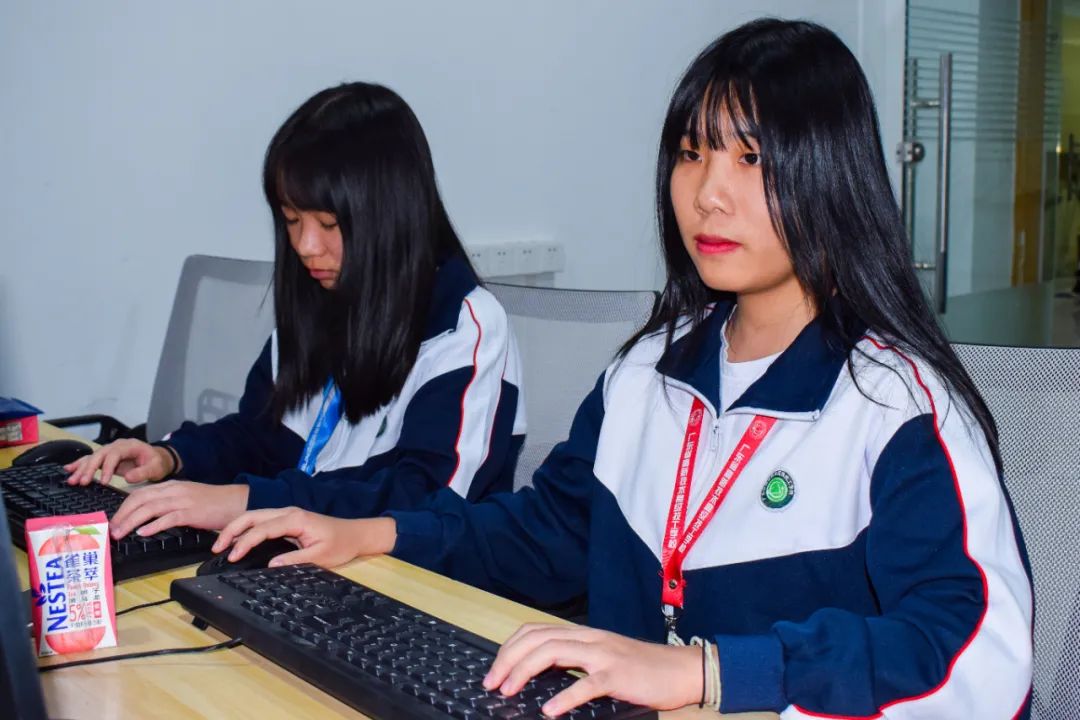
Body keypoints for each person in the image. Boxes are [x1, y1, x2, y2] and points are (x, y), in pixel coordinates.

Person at [212, 20, 1033, 718]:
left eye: (750, 159)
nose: (707, 194)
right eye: (691, 153)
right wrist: (373, 535)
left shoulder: (897, 406)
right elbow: (548, 532)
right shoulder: (648, 370)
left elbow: (978, 656)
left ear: (832, 174)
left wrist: (709, 672)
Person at [65, 82, 526, 542]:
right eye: (291, 219)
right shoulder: (320, 300)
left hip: (404, 576)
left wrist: (246, 501)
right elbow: (262, 438)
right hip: (296, 556)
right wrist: (173, 457)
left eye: (328, 223)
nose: (305, 246)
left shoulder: (465, 328)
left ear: (390, 216)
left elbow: (425, 502)